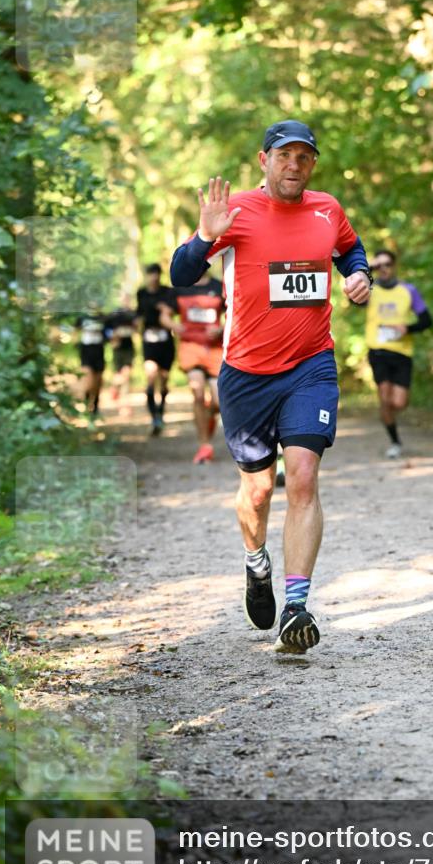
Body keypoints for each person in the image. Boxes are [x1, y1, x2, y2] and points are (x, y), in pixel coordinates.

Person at [170, 119, 371, 654]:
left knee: (302, 476)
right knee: (257, 491)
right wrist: (206, 237)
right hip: (247, 374)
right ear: (264, 160)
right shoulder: (234, 211)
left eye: (304, 157)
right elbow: (180, 275)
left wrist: (360, 276)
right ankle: (256, 565)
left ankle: (297, 608)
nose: (294, 165)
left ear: (312, 165)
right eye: (285, 156)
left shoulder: (328, 209)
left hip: (311, 365)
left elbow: (351, 250)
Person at [365, 249, 432, 458]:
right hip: (377, 350)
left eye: (388, 264)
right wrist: (368, 268)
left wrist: (408, 328)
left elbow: (427, 320)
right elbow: (353, 300)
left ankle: (388, 416)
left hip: (402, 352)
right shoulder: (370, 289)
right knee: (385, 398)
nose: (384, 269)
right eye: (379, 265)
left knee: (399, 403)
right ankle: (395, 441)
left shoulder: (408, 290)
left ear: (394, 266)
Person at [160, 269, 225, 464]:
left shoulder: (218, 286)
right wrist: (174, 325)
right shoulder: (181, 286)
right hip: (190, 347)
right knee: (197, 392)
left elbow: (235, 312)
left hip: (214, 349)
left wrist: (221, 328)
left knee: (219, 402)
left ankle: (208, 414)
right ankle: (204, 445)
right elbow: (164, 315)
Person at [136, 263, 176, 435]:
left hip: (165, 340)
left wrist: (166, 311)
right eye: (151, 274)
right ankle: (154, 418)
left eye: (156, 274)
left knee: (164, 380)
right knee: (151, 375)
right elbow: (139, 314)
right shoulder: (141, 293)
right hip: (149, 340)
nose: (154, 277)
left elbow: (173, 311)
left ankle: (161, 409)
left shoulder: (167, 292)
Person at [104, 296, 137, 417]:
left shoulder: (133, 314)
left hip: (129, 347)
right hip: (117, 348)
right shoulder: (114, 314)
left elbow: (137, 327)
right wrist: (112, 337)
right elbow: (106, 329)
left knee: (126, 375)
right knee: (119, 375)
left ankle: (125, 406)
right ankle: (114, 389)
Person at [75, 309, 107, 417]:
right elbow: (75, 330)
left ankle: (95, 407)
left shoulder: (102, 317)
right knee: (88, 380)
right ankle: (87, 404)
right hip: (86, 352)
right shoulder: (82, 316)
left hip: (99, 351)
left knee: (97, 381)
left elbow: (108, 333)